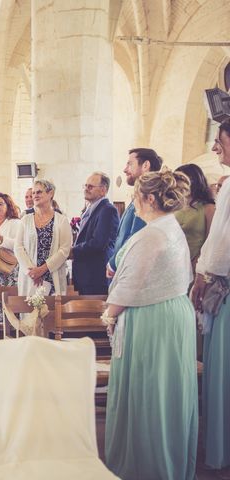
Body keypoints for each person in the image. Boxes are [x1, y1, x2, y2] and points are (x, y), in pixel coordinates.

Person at [103, 169, 197, 480]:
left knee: (150, 392)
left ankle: (148, 466)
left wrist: (110, 314)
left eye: (136, 196)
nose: (133, 201)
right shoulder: (170, 226)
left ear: (151, 198)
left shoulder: (152, 234)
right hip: (172, 314)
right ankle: (166, 458)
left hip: (152, 321)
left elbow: (130, 284)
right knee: (166, 390)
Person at [191, 119, 230, 473]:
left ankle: (221, 452)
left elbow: (220, 243)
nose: (215, 148)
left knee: (221, 371)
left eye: (219, 141)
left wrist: (202, 275)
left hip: (225, 288)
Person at [107, 148, 162, 279]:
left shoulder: (149, 198)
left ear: (145, 165)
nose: (125, 169)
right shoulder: (139, 196)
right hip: (125, 268)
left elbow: (136, 237)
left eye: (130, 164)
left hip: (133, 272)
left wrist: (113, 263)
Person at [14, 179, 72, 296]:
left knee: (52, 312)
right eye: (33, 193)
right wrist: (33, 272)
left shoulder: (61, 220)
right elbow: (18, 247)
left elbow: (64, 249)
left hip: (52, 275)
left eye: (39, 192)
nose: (34, 196)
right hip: (30, 276)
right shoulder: (25, 220)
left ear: (50, 193)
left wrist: (43, 269)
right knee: (29, 312)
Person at [71, 172, 119, 294]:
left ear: (103, 190)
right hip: (86, 274)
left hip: (96, 275)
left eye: (91, 187)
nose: (86, 189)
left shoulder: (107, 210)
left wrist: (73, 251)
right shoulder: (91, 208)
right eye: (85, 186)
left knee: (95, 312)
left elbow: (98, 243)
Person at [174, 163, 215, 269]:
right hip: (174, 263)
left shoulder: (208, 207)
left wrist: (197, 263)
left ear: (194, 181)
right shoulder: (175, 206)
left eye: (182, 180)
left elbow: (210, 241)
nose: (178, 184)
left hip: (195, 264)